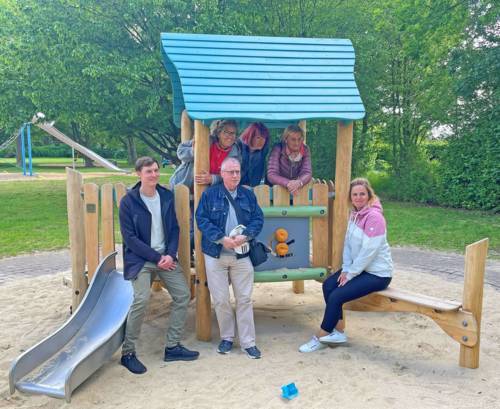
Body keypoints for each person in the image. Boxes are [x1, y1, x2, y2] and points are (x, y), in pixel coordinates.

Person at [119, 156, 199, 374]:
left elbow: (174, 228)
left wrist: (170, 255)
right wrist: (156, 258)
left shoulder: (165, 196)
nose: (153, 174)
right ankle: (128, 352)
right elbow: (130, 238)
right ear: (138, 174)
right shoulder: (129, 202)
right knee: (141, 299)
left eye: (155, 170)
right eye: (148, 171)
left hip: (166, 257)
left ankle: (172, 347)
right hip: (142, 259)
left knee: (183, 295)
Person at [299, 178, 393, 352]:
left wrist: (351, 274)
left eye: (362, 194)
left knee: (337, 296)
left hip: (378, 274)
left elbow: (368, 252)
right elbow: (348, 245)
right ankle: (338, 330)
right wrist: (347, 269)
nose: (358, 197)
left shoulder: (375, 218)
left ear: (369, 195)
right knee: (328, 285)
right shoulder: (354, 214)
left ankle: (320, 337)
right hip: (359, 270)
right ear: (351, 197)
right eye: (355, 194)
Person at [195, 157, 264, 359]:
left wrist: (247, 235)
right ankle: (226, 338)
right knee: (221, 300)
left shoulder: (248, 195)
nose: (235, 175)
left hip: (242, 255)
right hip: (216, 254)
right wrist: (221, 238)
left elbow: (258, 219)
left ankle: (248, 342)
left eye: (237, 172)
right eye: (230, 172)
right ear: (222, 174)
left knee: (244, 299)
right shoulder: (209, 195)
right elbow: (202, 220)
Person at [266, 124, 312, 195]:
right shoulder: (278, 148)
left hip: (295, 190)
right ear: (286, 139)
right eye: (293, 139)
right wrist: (288, 183)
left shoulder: (305, 149)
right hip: (276, 191)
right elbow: (271, 174)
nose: (297, 143)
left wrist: (299, 182)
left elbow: (307, 172)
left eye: (299, 139)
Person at [194, 119, 241, 186]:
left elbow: (232, 176)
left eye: (233, 133)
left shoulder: (236, 154)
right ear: (218, 134)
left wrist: (213, 179)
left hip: (212, 190)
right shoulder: (206, 140)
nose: (230, 136)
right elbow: (180, 152)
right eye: (226, 132)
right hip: (186, 184)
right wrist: (194, 151)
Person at [239, 122, 270, 187]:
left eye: (264, 138)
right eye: (258, 137)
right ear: (250, 136)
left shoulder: (263, 152)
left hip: (254, 189)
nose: (262, 141)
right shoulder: (238, 147)